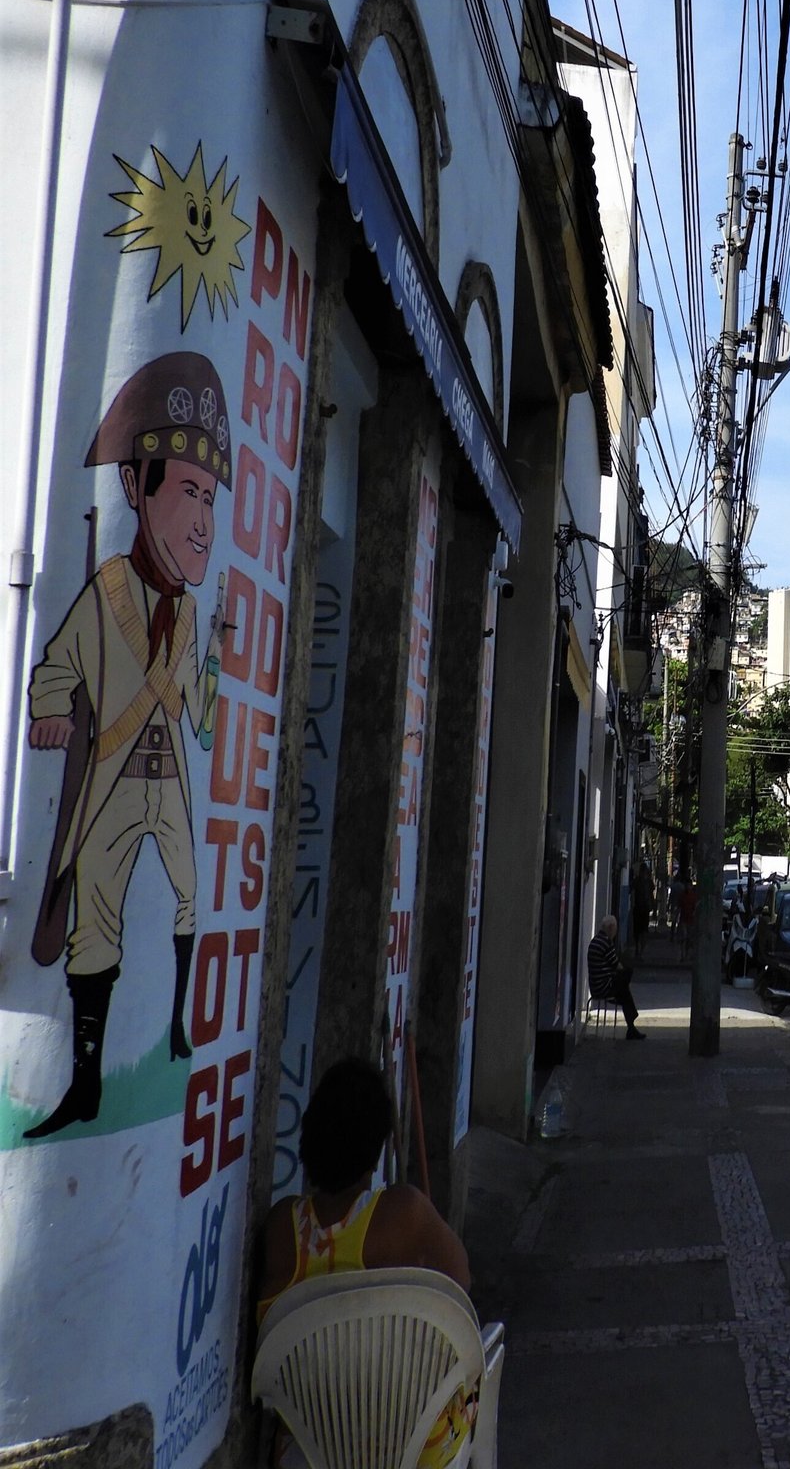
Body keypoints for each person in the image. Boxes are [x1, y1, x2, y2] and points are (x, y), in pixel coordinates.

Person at [24, 353, 231, 1138]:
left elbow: (199, 718)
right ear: (136, 492)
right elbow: (54, 669)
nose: (203, 521)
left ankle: (175, 1022)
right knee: (94, 924)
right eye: (186, 491)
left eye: (209, 497)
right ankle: (85, 1083)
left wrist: (210, 675)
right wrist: (48, 713)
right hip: (112, 780)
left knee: (189, 893)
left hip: (167, 777)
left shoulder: (188, 617)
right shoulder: (108, 589)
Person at [256, 1059, 476, 1467]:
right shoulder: (406, 1211)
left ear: (309, 1141)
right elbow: (460, 1279)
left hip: (309, 1452)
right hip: (410, 1450)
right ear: (376, 1151)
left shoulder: (280, 1228)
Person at [587, 917, 644, 1037]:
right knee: (627, 974)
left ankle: (631, 1027)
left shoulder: (595, 940)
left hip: (596, 986)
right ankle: (631, 1024)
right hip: (603, 986)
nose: (615, 933)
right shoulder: (606, 942)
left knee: (623, 990)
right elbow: (616, 965)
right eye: (615, 929)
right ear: (610, 928)